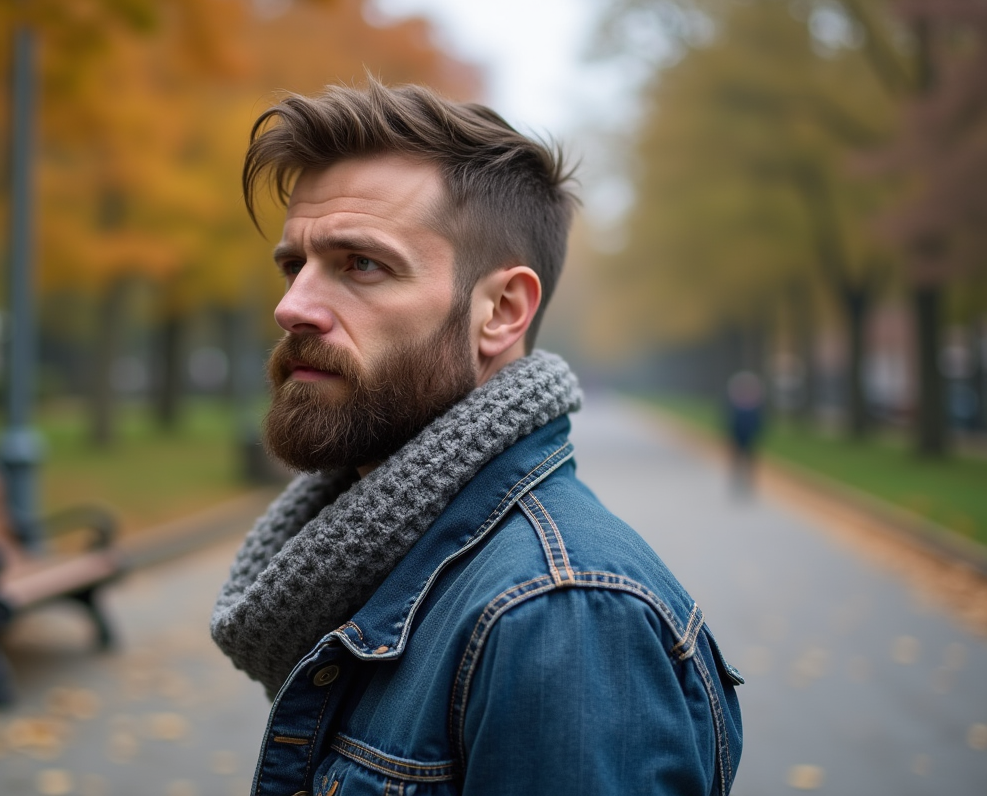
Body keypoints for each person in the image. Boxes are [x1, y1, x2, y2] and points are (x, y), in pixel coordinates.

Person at [211, 79, 743, 796]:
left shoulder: (558, 616)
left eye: (361, 264)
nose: (292, 307)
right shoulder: (383, 554)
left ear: (501, 310)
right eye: (293, 265)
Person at [725, 370, 766, 497]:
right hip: (737, 436)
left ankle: (749, 484)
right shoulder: (733, 402)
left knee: (750, 461)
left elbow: (760, 422)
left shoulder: (756, 403)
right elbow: (728, 420)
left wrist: (758, 434)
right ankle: (737, 482)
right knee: (737, 461)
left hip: (750, 437)